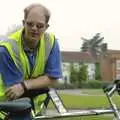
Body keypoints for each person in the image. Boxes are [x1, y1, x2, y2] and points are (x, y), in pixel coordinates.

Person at [0, 3, 62, 120]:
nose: (34, 28)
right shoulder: (7, 49)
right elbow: (16, 92)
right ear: (23, 23)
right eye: (30, 24)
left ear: (46, 27)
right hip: (7, 110)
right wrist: (42, 81)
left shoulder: (51, 42)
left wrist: (25, 85)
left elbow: (53, 78)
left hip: (32, 109)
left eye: (39, 26)